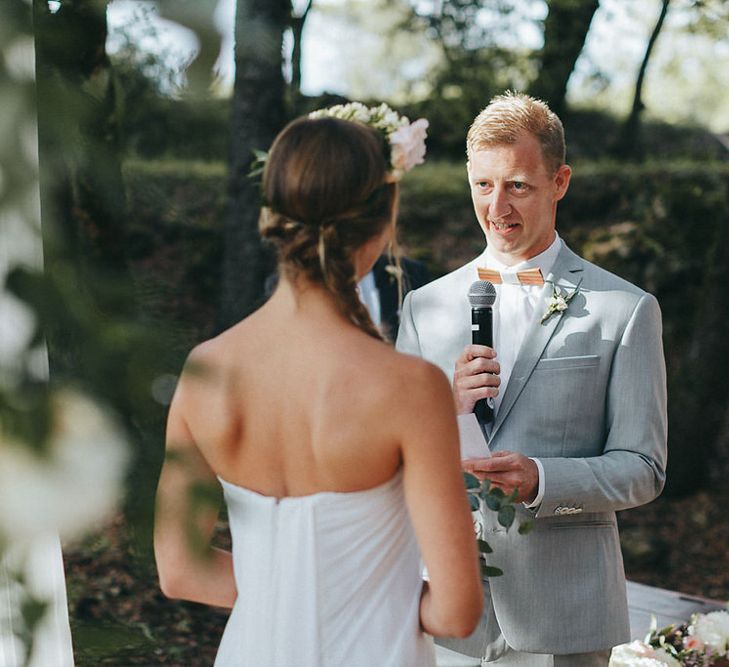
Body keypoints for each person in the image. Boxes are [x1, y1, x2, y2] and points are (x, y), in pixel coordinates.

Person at [154, 114, 483, 667]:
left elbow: (181, 571)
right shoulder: (410, 388)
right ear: (383, 221)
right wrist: (357, 604)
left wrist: (281, 601)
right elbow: (456, 612)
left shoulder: (205, 371)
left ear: (271, 217)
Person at [396, 92, 667, 666]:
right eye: (483, 185)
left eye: (517, 184)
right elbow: (391, 459)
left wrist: (542, 479)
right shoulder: (423, 306)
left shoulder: (626, 308)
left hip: (565, 615)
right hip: (444, 610)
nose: (498, 206)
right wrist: (439, 408)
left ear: (560, 181)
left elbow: (644, 469)